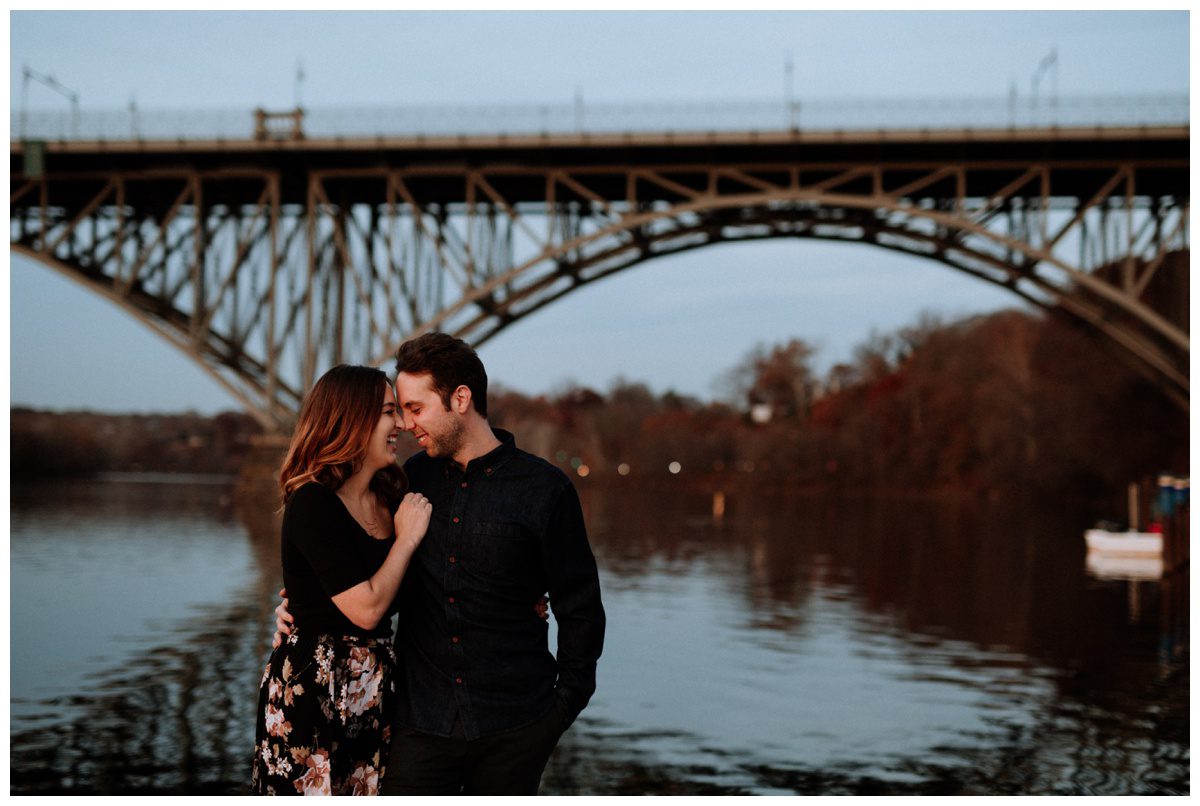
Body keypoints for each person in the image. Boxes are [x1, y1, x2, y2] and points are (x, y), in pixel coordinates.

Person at [276, 332, 606, 795]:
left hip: (514, 725)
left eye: (415, 408)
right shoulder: (405, 485)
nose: (407, 425)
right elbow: (353, 569)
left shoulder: (545, 490)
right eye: (399, 410)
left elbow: (581, 609)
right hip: (419, 726)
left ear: (461, 399)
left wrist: (557, 713)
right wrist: (298, 609)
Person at [252, 364, 432, 796]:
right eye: (389, 412)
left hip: (375, 694)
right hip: (314, 693)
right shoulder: (313, 501)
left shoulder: (392, 499)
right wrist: (405, 542)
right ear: (353, 418)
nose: (402, 425)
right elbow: (367, 609)